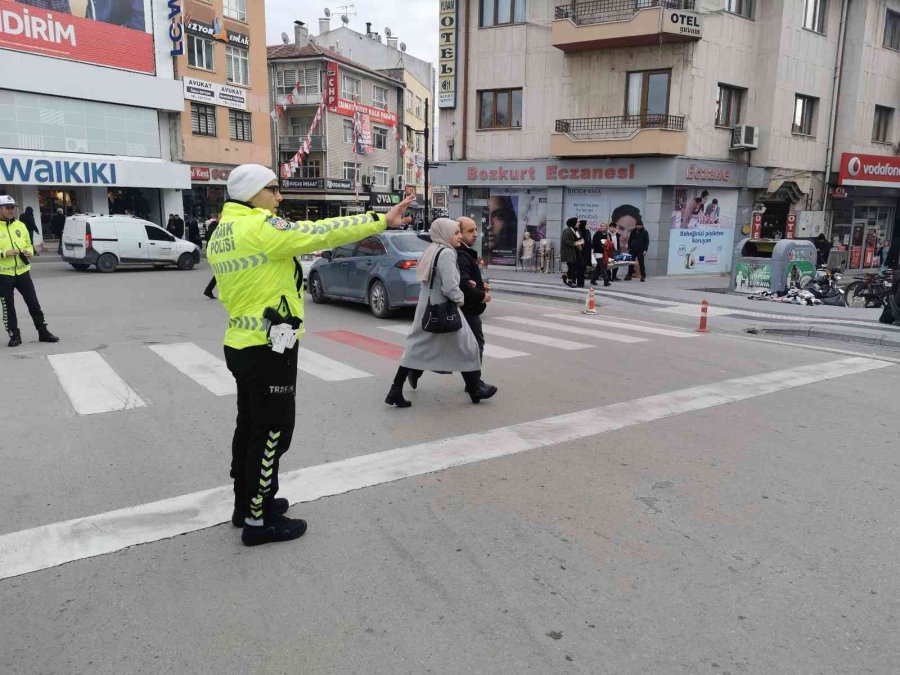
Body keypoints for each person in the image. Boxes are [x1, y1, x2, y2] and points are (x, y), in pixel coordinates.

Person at [207, 164, 413, 547]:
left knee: (249, 426)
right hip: (270, 344)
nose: (279, 196)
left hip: (241, 341)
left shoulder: (222, 231)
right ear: (253, 192)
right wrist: (379, 220)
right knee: (272, 433)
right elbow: (323, 231)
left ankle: (247, 502)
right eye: (273, 189)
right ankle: (258, 520)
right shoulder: (260, 228)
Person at [385, 218, 496, 408]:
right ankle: (475, 388)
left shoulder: (432, 249)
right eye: (456, 233)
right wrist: (460, 299)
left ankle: (396, 389)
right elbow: (449, 287)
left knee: (416, 348)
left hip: (427, 306)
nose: (459, 236)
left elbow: (432, 279)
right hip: (444, 308)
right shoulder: (446, 253)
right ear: (445, 234)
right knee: (469, 347)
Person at [0, 195, 60, 347]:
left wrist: (29, 252)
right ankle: (14, 335)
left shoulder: (20, 225)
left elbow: (28, 244)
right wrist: (4, 253)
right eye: (7, 207)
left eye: (13, 207)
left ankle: (43, 332)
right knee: (9, 307)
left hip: (23, 272)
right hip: (4, 275)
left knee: (34, 303)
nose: (11, 210)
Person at [560, 218, 582, 288]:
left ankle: (565, 276)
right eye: (578, 222)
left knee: (574, 267)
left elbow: (579, 238)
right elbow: (565, 241)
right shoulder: (567, 231)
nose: (579, 223)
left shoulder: (576, 230)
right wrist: (574, 243)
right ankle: (570, 281)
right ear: (573, 223)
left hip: (576, 252)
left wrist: (581, 241)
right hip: (569, 253)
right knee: (571, 267)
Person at [590, 222, 613, 287]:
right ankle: (606, 280)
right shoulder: (597, 234)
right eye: (601, 226)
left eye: (604, 226)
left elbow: (610, 243)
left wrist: (608, 245)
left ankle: (593, 279)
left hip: (605, 253)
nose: (602, 227)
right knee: (603, 266)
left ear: (606, 227)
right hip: (598, 252)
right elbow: (594, 242)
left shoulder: (608, 235)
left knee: (599, 267)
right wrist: (602, 245)